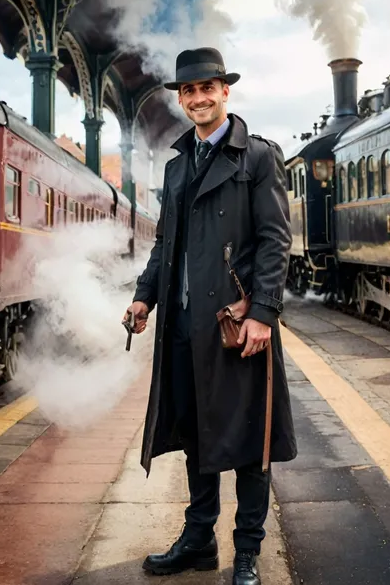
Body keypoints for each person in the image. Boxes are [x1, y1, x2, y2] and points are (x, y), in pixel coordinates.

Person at [124, 47, 296, 585]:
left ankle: (247, 549)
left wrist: (263, 312)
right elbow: (164, 246)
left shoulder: (259, 157)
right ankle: (199, 539)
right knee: (197, 436)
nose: (198, 98)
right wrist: (144, 297)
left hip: (235, 325)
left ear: (226, 92)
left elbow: (274, 242)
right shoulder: (177, 169)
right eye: (189, 91)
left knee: (249, 442)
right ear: (181, 100)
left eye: (208, 88)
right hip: (183, 326)